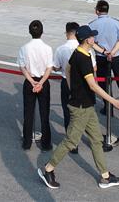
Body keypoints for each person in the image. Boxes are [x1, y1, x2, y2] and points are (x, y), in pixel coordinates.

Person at [38, 26, 119, 190]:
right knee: (71, 141)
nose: (95, 39)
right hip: (80, 108)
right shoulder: (83, 58)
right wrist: (113, 101)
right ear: (88, 40)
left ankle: (105, 176)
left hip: (86, 105)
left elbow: (68, 69)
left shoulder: (78, 52)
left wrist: (72, 89)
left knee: (97, 140)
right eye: (93, 37)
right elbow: (93, 85)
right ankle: (48, 169)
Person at [88, 0, 119, 114]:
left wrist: (104, 52)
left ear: (97, 11)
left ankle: (108, 108)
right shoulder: (116, 23)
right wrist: (112, 52)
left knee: (104, 83)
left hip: (101, 57)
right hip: (116, 56)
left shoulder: (92, 25)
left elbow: (92, 43)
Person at [18, 19, 53, 151]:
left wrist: (32, 81)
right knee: (44, 114)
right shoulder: (48, 48)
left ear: (29, 32)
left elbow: (22, 67)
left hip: (30, 81)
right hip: (43, 81)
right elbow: (49, 68)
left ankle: (27, 142)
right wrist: (41, 82)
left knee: (28, 113)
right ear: (42, 32)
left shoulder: (24, 48)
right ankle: (46, 143)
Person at [53, 21, 81, 153]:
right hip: (82, 83)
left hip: (66, 82)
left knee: (67, 112)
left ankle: (72, 142)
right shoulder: (84, 48)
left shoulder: (61, 49)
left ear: (66, 33)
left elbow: (56, 67)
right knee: (81, 112)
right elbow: (94, 67)